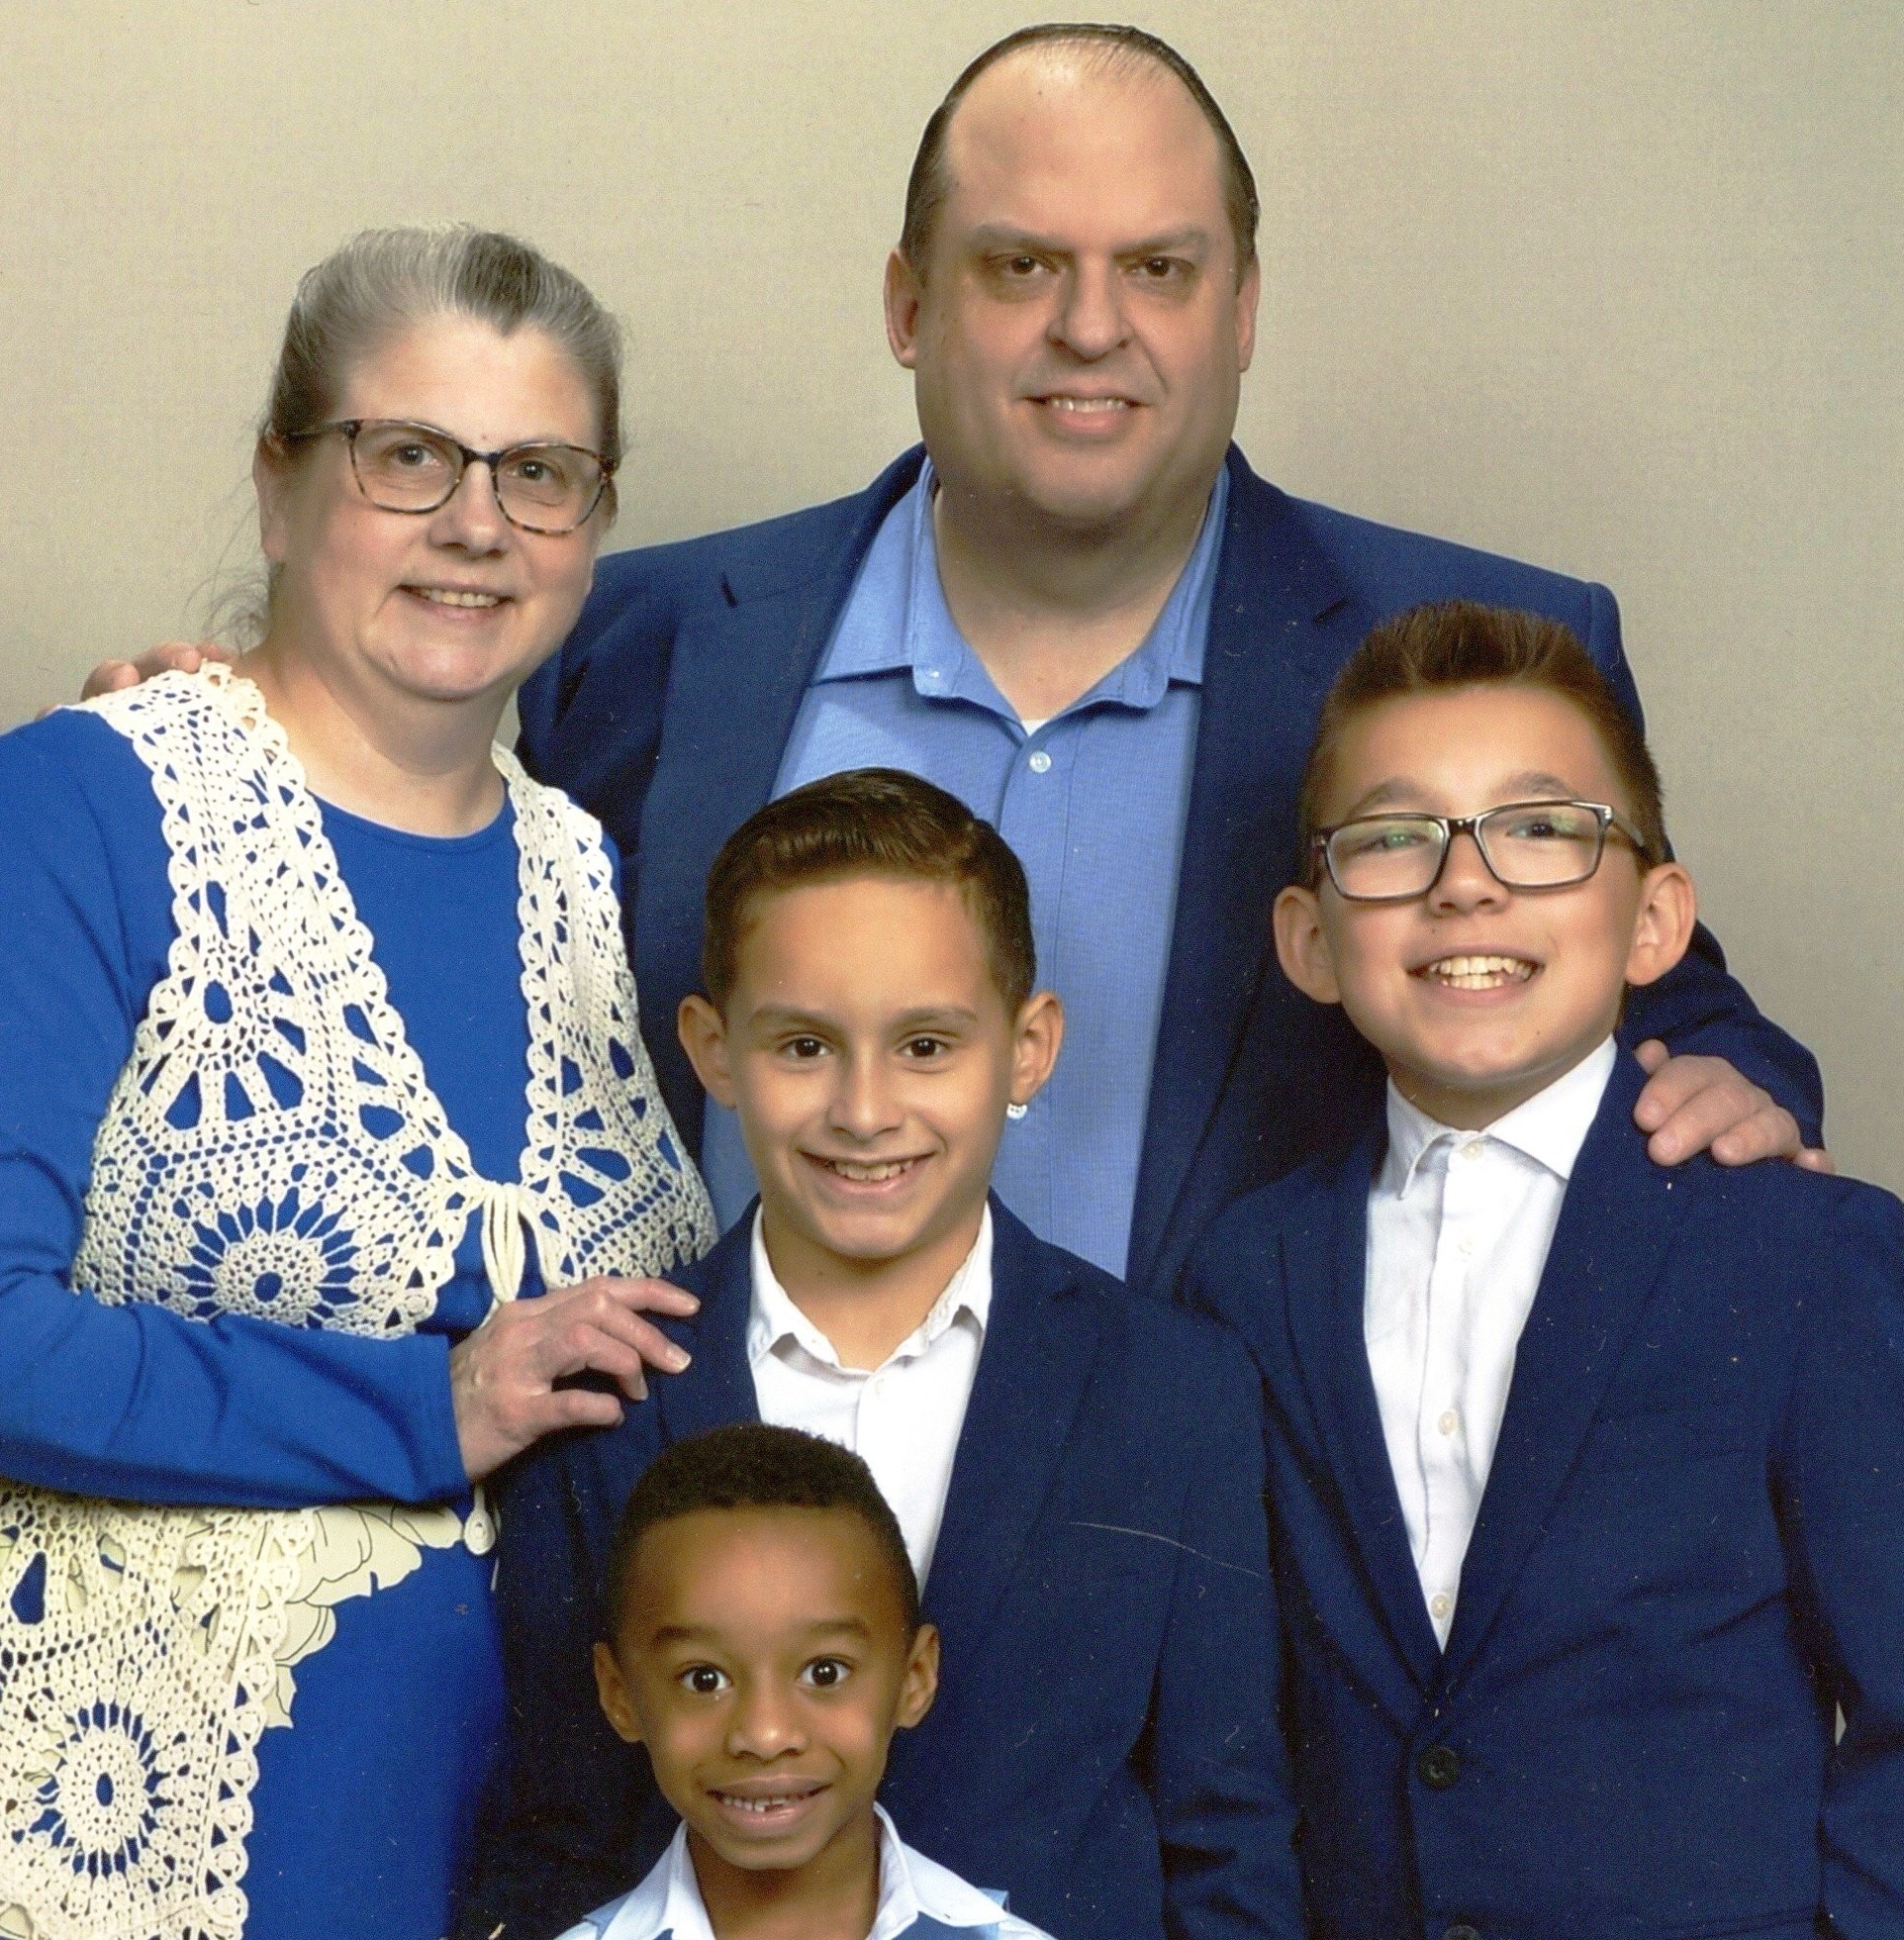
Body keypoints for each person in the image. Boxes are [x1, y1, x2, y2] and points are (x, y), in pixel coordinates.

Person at [90, 25, 1828, 1299]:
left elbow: (1676, 1012)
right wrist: (236, 757)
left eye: (1158, 268)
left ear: (1240, 310)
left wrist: (1737, 1095)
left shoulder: (1453, 654)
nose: (1092, 326)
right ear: (908, 305)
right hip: (716, 1592)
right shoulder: (632, 637)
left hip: (1219, 1599)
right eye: (1021, 265)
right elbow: (402, 901)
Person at [0, 227, 715, 1940]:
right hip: (128, 1875)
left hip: (511, 1899)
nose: (475, 523)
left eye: (537, 472)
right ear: (279, 478)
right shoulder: (88, 800)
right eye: (408, 454)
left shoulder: (594, 876)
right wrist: (426, 1404)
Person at [459, 769, 1312, 1940]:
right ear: (711, 1048)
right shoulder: (612, 1394)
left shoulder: (1171, 1387)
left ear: (1028, 1047)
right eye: (803, 1046)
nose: (864, 1110)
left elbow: (1230, 1847)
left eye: (926, 1045)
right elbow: (552, 1832)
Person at [1184, 601, 1904, 1940]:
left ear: (1655, 920)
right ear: (1310, 939)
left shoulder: (1805, 1253)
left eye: (1539, 831)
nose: (1466, 884)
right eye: (1394, 840)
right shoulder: (1245, 1277)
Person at [456, 1421, 1119, 1940]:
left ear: (915, 1678)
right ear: (620, 1694)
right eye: (704, 1679)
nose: (766, 1734)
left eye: (825, 1672)